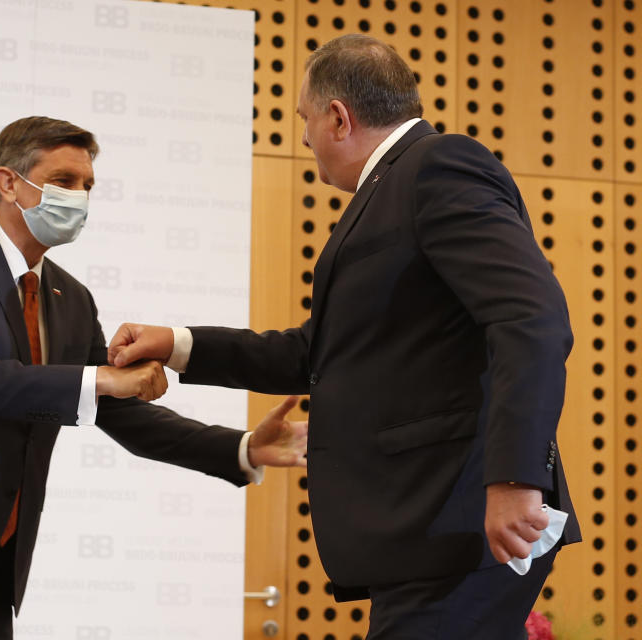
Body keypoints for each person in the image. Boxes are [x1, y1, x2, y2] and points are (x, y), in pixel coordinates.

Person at [109, 34, 580, 639]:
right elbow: (319, 354)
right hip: (426, 534)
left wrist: (516, 479)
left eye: (303, 119)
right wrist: (178, 344)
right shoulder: (392, 188)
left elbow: (532, 318)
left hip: (458, 520)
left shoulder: (438, 166)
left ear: (338, 117)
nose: (303, 139)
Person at [0, 116, 308, 639]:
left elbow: (119, 411)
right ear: (8, 182)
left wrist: (242, 448)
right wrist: (102, 379)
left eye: (87, 186)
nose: (80, 198)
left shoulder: (72, 298)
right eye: (64, 181)